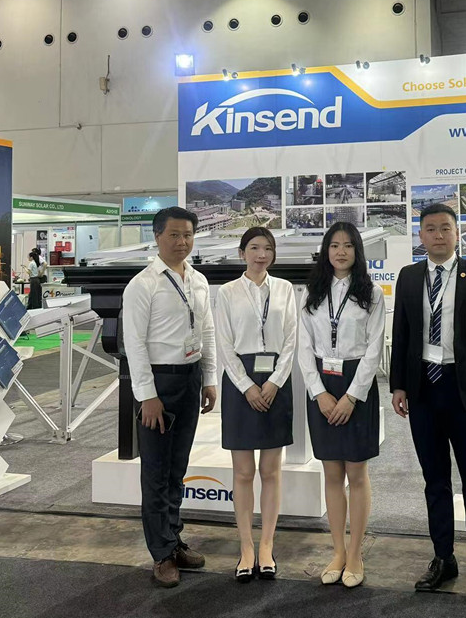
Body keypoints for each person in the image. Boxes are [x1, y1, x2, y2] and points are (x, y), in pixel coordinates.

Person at [390, 203, 466, 603]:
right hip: (423, 388)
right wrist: (399, 385)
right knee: (435, 481)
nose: (438, 235)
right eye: (430, 229)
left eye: (445, 228)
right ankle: (443, 558)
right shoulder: (409, 277)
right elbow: (402, 332)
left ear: (457, 234)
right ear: (420, 235)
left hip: (465, 390)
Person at [122, 206, 217, 588]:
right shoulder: (142, 285)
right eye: (174, 234)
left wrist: (209, 379)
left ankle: (173, 540)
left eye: (188, 235)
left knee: (178, 468)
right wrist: (147, 396)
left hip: (190, 378)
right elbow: (134, 345)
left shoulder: (198, 280)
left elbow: (206, 331)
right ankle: (161, 554)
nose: (182, 242)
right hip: (158, 384)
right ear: (158, 236)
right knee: (156, 472)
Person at [298, 221, 385, 589]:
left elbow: (375, 348)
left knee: (356, 473)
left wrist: (352, 396)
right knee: (331, 473)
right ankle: (337, 551)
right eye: (334, 245)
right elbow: (304, 347)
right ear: (326, 250)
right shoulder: (312, 293)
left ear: (357, 251)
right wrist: (318, 392)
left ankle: (355, 553)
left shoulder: (372, 293)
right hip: (323, 385)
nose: (341, 252)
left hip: (356, 384)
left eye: (348, 245)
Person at [216, 227, 297, 583]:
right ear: (241, 253)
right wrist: (247, 386)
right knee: (244, 472)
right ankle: (246, 548)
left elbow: (292, 339)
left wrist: (276, 381)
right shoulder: (227, 292)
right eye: (254, 248)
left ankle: (267, 546)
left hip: (276, 381)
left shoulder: (285, 289)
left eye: (267, 249)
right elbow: (224, 344)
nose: (261, 255)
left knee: (271, 471)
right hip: (241, 383)